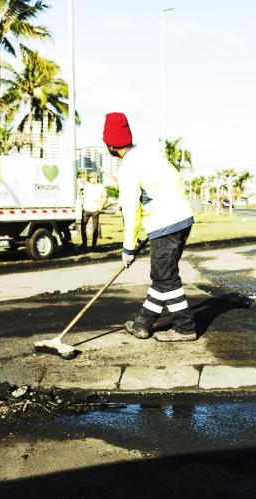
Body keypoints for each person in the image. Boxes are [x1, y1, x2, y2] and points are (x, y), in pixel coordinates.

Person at [102, 112, 197, 342]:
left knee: (167, 278)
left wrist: (128, 249)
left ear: (112, 145)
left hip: (165, 224)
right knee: (161, 277)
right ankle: (143, 323)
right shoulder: (150, 152)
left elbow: (131, 211)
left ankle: (185, 328)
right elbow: (173, 179)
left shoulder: (127, 169)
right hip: (182, 219)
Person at [80, 172, 106, 248]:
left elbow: (105, 197)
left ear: (96, 178)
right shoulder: (86, 186)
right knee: (83, 226)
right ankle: (84, 243)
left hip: (95, 209)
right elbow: (83, 195)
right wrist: (82, 202)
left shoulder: (101, 187)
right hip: (86, 209)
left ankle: (93, 245)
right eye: (90, 178)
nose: (91, 179)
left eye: (92, 178)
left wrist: (101, 206)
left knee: (95, 228)